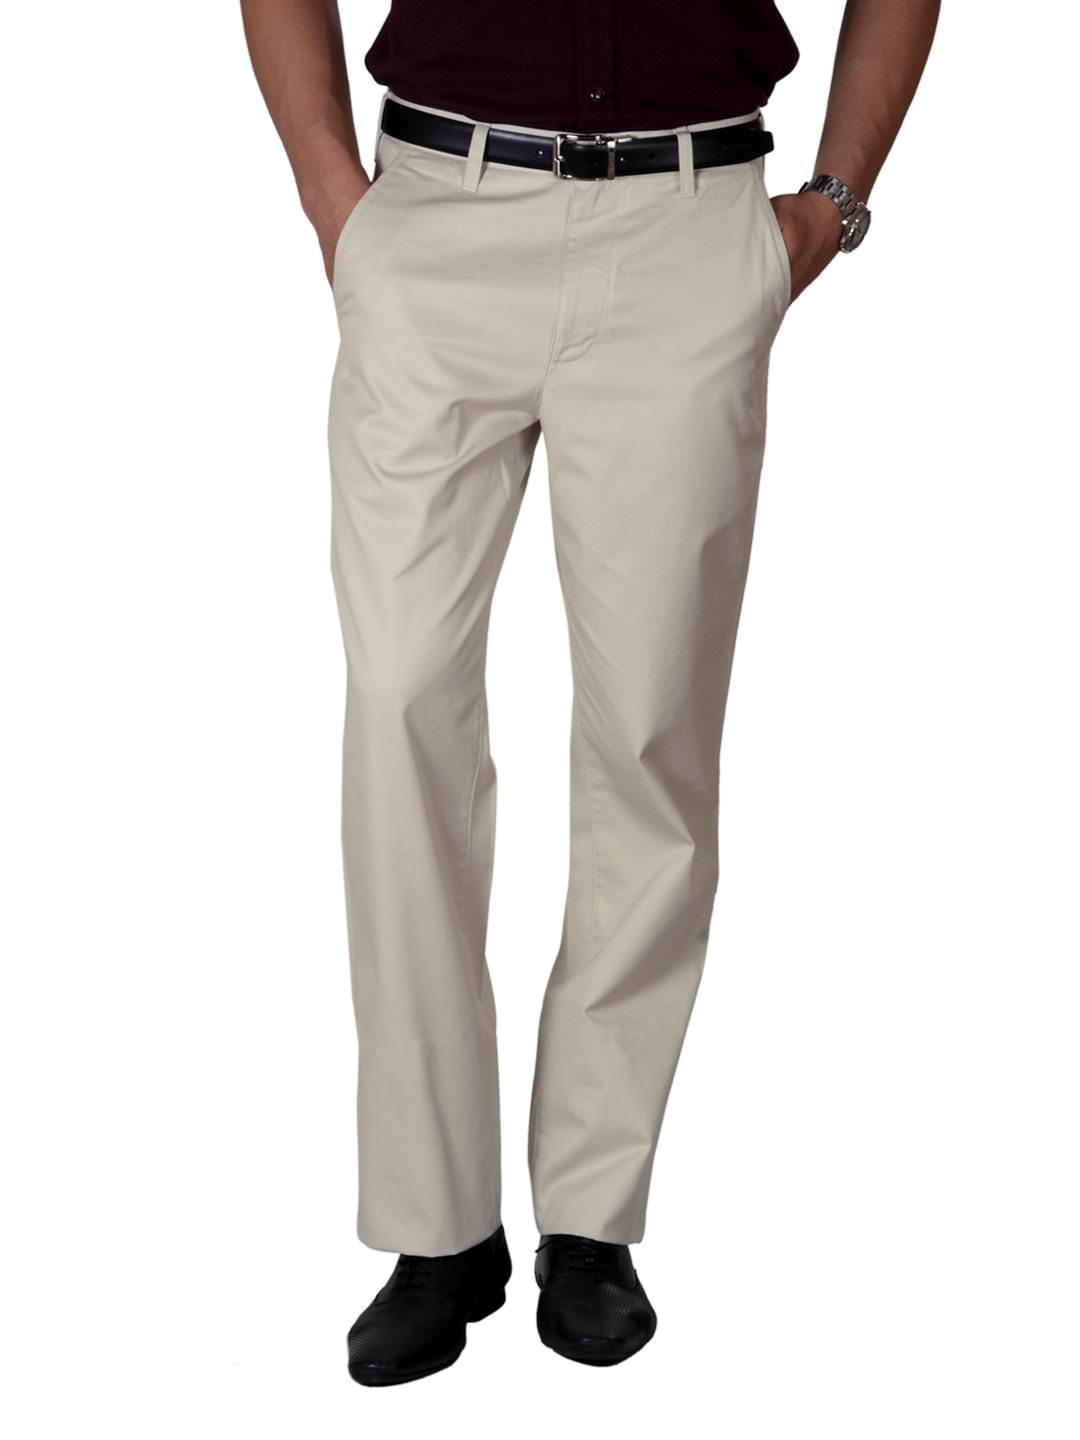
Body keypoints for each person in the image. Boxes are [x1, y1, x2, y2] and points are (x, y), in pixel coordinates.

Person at [241, 0, 939, 1385]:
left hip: (690, 224)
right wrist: (335, 202)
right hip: (437, 215)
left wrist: (831, 208)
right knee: (399, 707)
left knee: (649, 731)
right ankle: (437, 1226)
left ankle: (591, 1216)